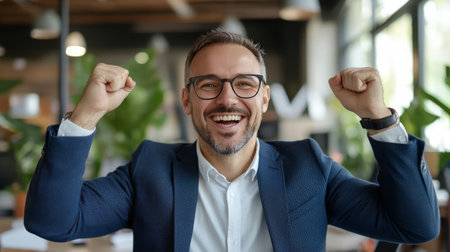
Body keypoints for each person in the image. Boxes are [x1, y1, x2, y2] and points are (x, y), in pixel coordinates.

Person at [24, 30, 439, 251]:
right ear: (187, 100)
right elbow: (52, 223)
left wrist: (378, 119)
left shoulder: (309, 168)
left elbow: (415, 225)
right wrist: (86, 117)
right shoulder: (149, 168)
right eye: (208, 85)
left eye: (244, 84)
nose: (227, 98)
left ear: (264, 97)